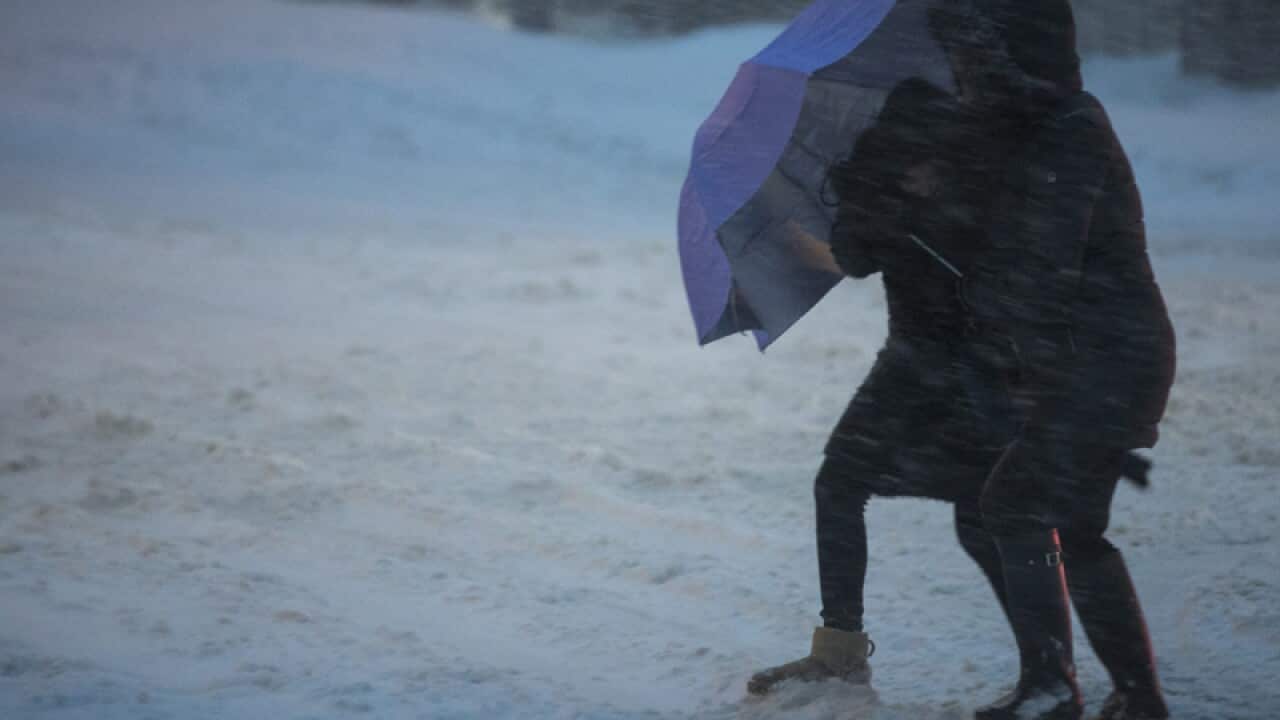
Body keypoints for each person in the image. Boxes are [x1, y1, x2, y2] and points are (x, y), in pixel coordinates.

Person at [929, 1, 1177, 718]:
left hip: (1104, 359)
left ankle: (1056, 688)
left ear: (1012, 58)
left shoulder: (1068, 131)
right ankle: (1131, 694)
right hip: (1089, 360)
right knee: (1054, 518)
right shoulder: (1037, 130)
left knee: (1015, 505)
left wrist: (983, 281)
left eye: (973, 57)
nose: (962, 73)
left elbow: (1044, 265)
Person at [747, 75, 1024, 697]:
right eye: (910, 160)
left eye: (927, 160)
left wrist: (910, 215)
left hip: (974, 370)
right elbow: (854, 257)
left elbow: (993, 273)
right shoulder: (888, 173)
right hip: (915, 363)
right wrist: (863, 202)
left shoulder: (982, 178)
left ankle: (1049, 665)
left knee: (984, 515)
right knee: (844, 485)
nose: (918, 171)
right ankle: (841, 649)